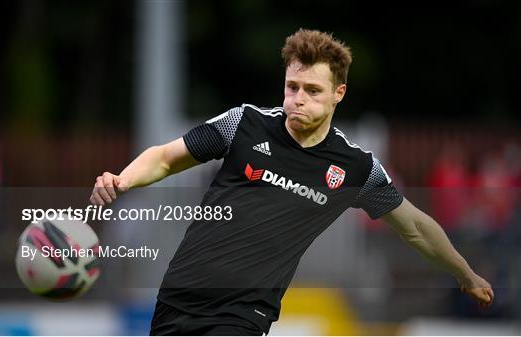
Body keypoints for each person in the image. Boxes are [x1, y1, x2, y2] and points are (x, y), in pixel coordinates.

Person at [90, 29, 494, 335]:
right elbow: (164, 158)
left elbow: (417, 229)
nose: (298, 99)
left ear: (339, 93)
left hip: (244, 313)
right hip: (179, 296)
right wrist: (122, 179)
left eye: (312, 91)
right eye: (292, 87)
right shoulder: (243, 124)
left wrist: (465, 274)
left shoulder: (355, 168)